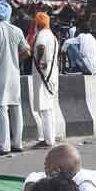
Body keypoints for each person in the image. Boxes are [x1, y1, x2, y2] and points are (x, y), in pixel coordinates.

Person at [0, 1, 31, 156]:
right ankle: (17, 143)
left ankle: (4, 146)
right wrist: (14, 59)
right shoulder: (17, 30)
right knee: (16, 108)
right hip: (14, 74)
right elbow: (27, 52)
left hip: (0, 74)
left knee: (1, 109)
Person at [30, 12, 60, 148]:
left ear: (38, 24)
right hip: (51, 75)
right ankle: (50, 137)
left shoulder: (42, 35)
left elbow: (41, 46)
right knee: (49, 108)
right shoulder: (52, 36)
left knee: (45, 109)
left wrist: (40, 60)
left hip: (44, 76)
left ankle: (47, 140)